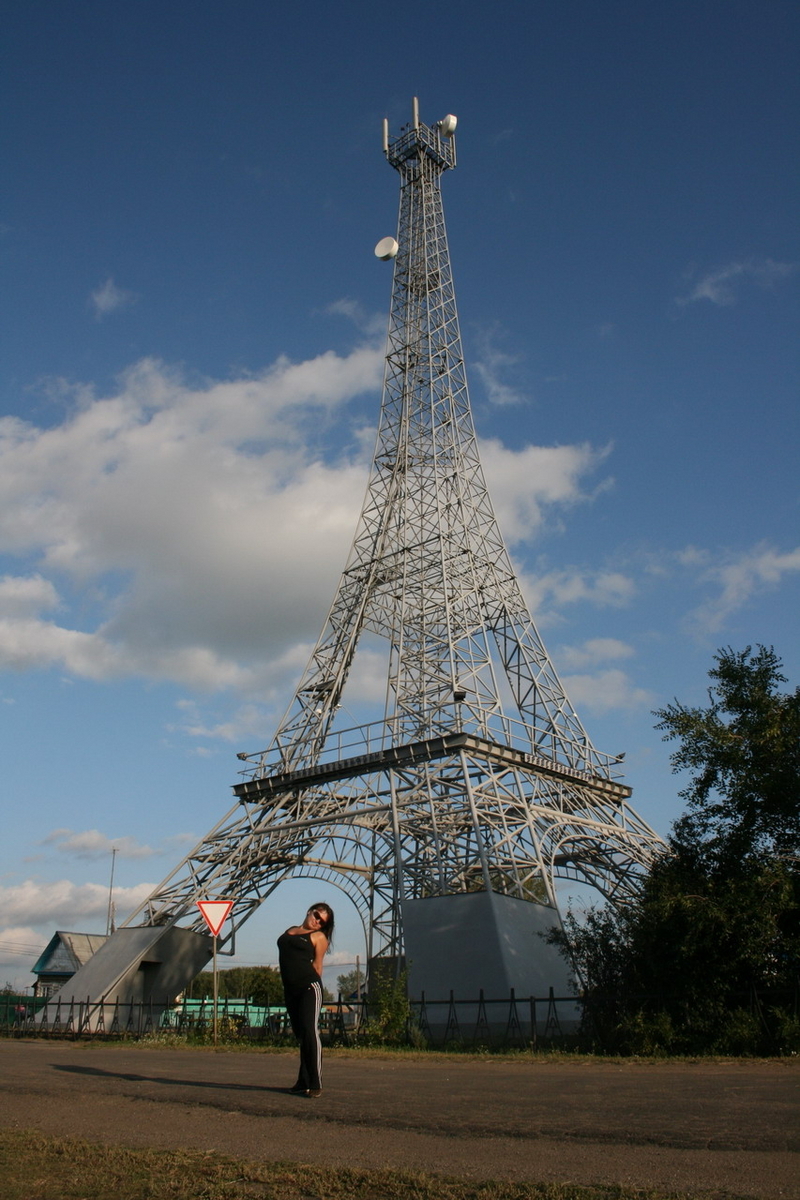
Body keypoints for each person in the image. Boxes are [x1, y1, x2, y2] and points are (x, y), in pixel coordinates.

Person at [277, 902, 334, 1097]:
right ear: (310, 911)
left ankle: (316, 1082)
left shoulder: (318, 937)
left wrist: (316, 992)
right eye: (317, 915)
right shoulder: (290, 930)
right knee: (301, 1035)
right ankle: (303, 1081)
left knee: (310, 1032)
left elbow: (318, 967)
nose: (317, 921)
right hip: (290, 989)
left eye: (322, 922)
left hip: (309, 987)